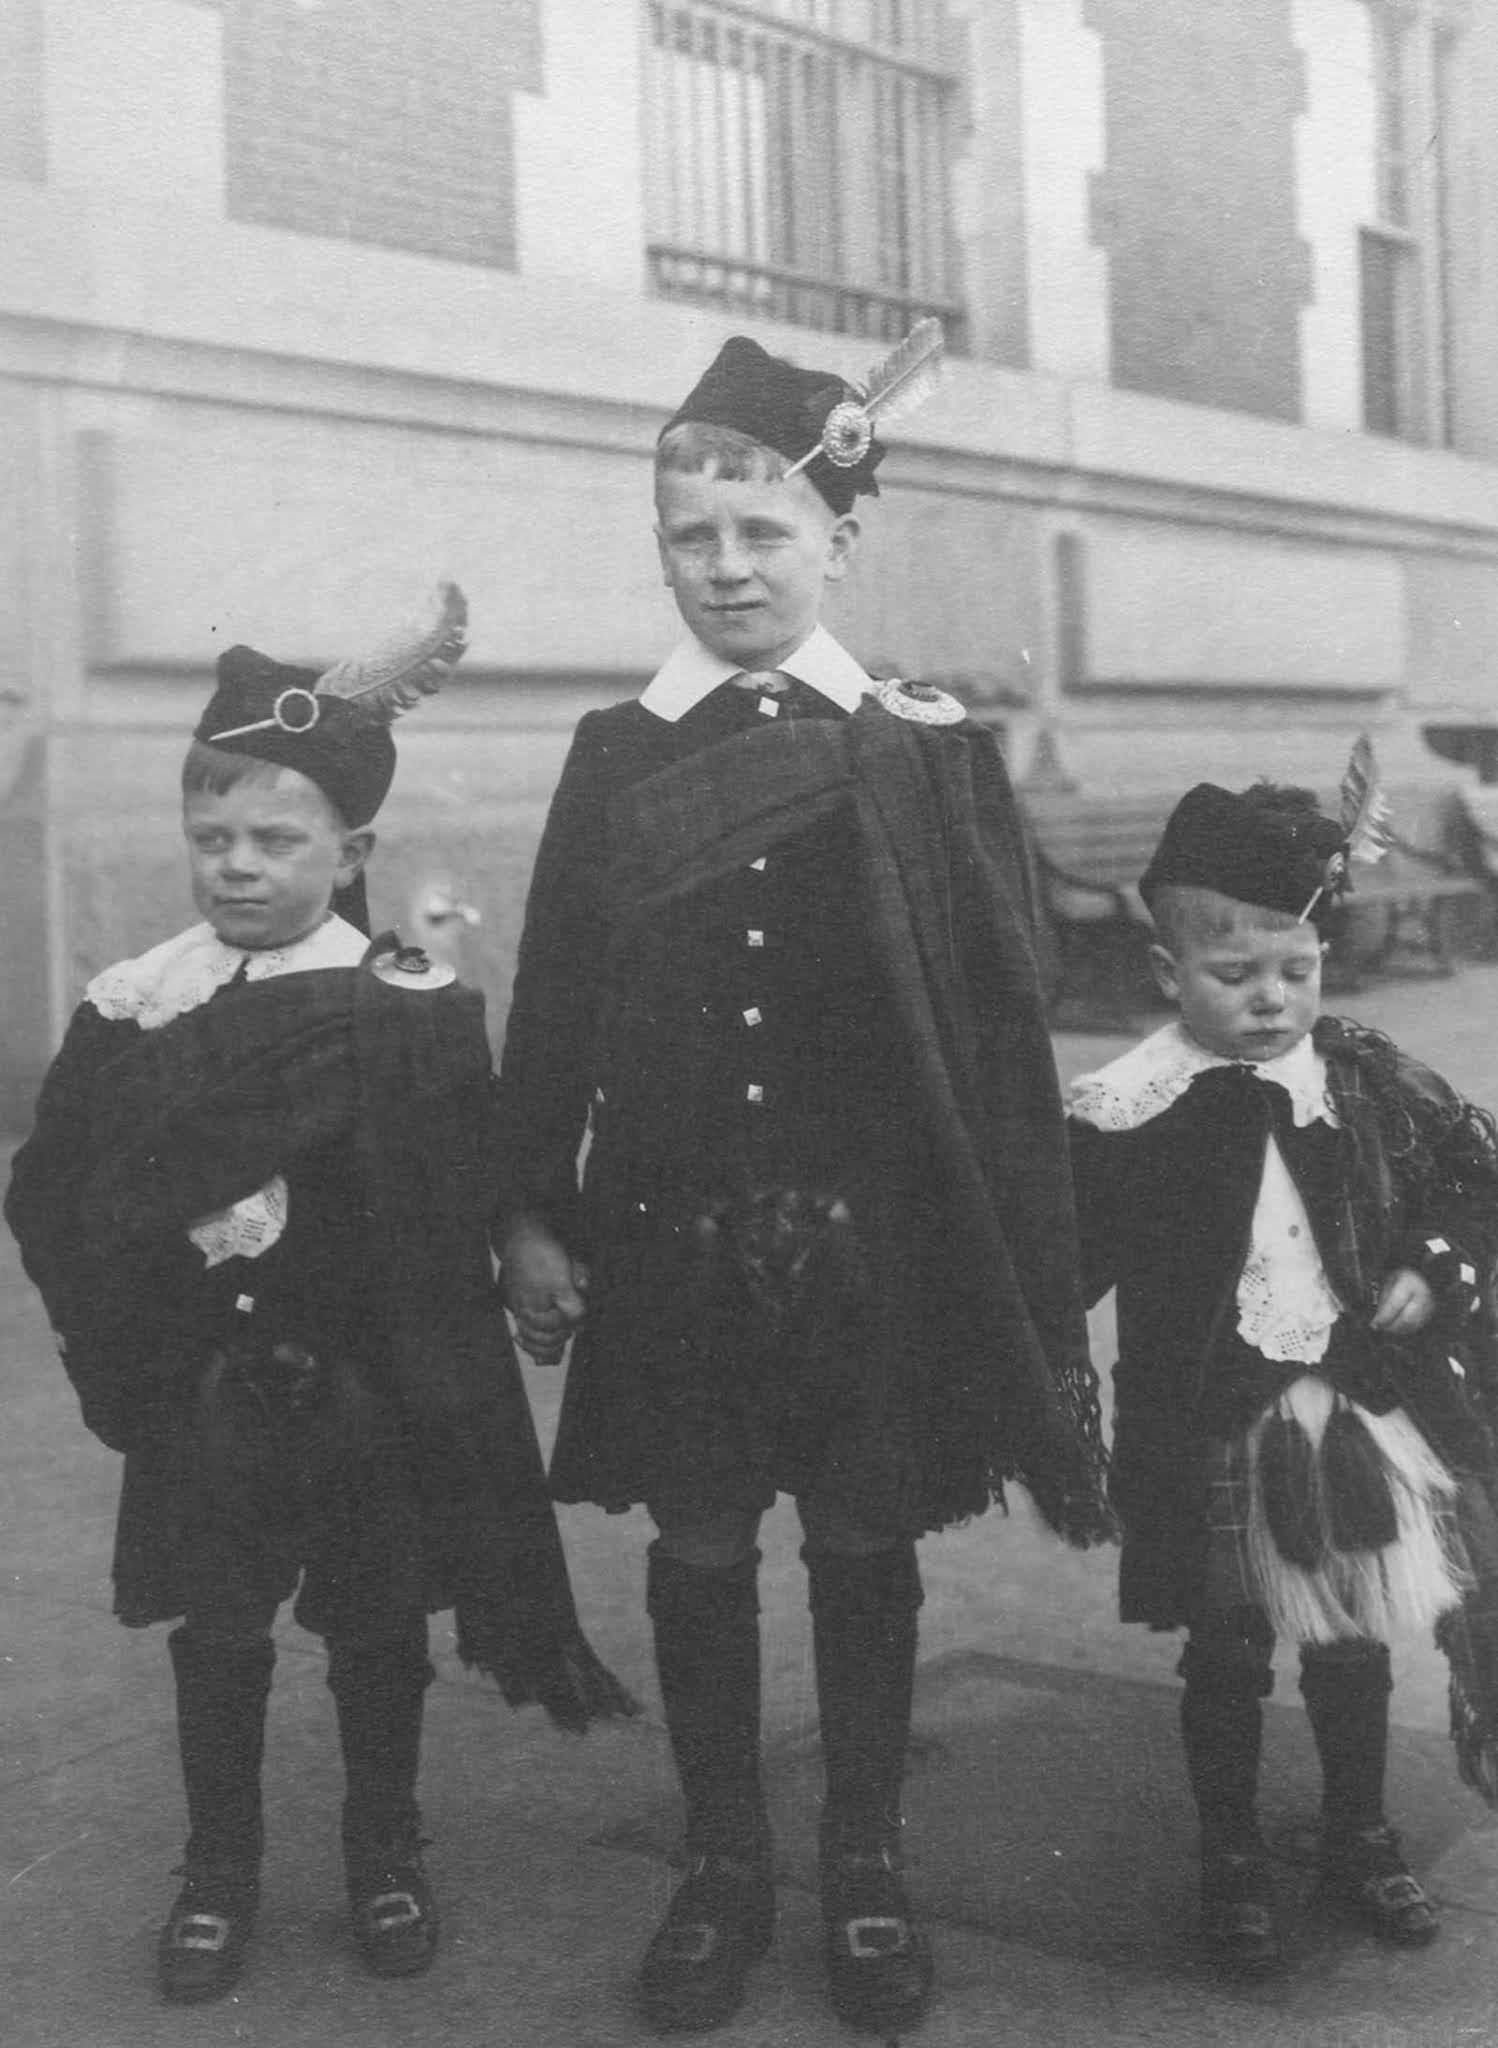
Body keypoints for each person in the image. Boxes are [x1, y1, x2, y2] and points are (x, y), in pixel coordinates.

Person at [494, 334, 1111, 2035]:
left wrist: (1011, 1236)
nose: (727, 567)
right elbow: (553, 991)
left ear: (838, 537)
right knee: (696, 1541)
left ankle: (862, 1862)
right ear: (662, 552)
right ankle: (721, 1863)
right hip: (671, 1230)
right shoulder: (619, 749)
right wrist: (529, 1201)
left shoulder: (918, 746)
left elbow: (997, 1016)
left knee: (857, 1534)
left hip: (875, 1238)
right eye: (693, 538)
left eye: (763, 533)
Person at [5, 593, 632, 2007]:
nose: (237, 867)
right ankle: (216, 1869)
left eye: (277, 842)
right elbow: (55, 1193)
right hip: (199, 1392)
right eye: (212, 838)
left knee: (373, 1623)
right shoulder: (136, 1001)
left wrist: (521, 1241)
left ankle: (382, 1845)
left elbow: (460, 1182)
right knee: (217, 1628)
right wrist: (134, 1347)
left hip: (367, 1392)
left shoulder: (399, 1004)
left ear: (351, 852)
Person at [1066, 777, 1498, 1977]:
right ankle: (1232, 1850)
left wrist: (1431, 1262)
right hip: (1210, 1420)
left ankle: (1358, 1830)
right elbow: (1061, 1259)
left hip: (1350, 1408)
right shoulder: (1126, 1107)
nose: (1269, 1000)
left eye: (1295, 970)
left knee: (1353, 1632)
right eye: (1233, 973)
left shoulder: (1361, 1075)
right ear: (1168, 974)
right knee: (1225, 1645)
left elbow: (1476, 1172)